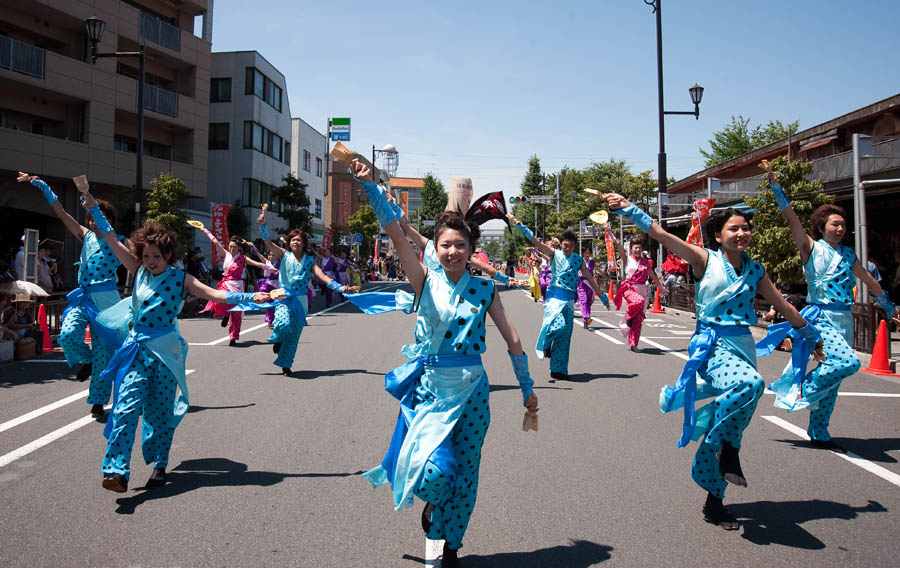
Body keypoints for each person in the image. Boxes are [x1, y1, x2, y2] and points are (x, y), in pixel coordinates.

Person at [350, 159, 537, 568]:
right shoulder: (424, 281)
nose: (453, 251)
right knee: (436, 472)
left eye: (461, 245)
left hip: (473, 393)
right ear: (435, 250)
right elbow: (397, 235)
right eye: (445, 245)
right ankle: (434, 508)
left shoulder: (485, 288)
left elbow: (513, 339)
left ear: (472, 249)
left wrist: (527, 390)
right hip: (432, 390)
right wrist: (371, 187)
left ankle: (450, 543)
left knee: (466, 475)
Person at [599, 190, 822, 530]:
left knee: (736, 421)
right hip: (711, 345)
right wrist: (629, 208)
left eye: (746, 228)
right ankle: (724, 452)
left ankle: (715, 501)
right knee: (751, 385)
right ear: (719, 235)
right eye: (734, 229)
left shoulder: (755, 270)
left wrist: (810, 336)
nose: (742, 233)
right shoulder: (705, 259)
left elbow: (784, 305)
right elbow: (661, 235)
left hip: (743, 345)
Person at [80, 192, 269, 493]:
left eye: (157, 256)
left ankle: (159, 465)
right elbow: (112, 240)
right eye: (146, 255)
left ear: (168, 255)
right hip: (136, 350)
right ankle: (116, 471)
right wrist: (94, 210)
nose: (150, 261)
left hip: (166, 354)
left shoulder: (180, 279)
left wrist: (251, 297)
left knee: (159, 413)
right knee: (126, 408)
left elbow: (215, 294)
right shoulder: (138, 271)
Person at [763, 177, 898, 451]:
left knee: (834, 380)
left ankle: (819, 430)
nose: (839, 228)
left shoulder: (849, 255)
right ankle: (805, 387)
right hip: (820, 316)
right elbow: (792, 220)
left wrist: (889, 306)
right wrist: (777, 188)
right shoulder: (811, 248)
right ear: (822, 227)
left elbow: (871, 283)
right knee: (847, 363)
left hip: (844, 319)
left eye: (842, 225)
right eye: (834, 224)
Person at [23, 175, 123, 418]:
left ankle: (98, 402)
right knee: (67, 335)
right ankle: (86, 361)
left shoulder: (118, 242)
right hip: (83, 297)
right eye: (93, 219)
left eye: (102, 218)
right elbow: (62, 214)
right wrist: (44, 188)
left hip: (106, 302)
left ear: (110, 221)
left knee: (103, 353)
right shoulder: (85, 235)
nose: (96, 223)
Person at [255, 211, 355, 376]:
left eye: (299, 240)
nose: (296, 242)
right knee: (282, 324)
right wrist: (263, 226)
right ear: (289, 242)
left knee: (294, 336)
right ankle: (278, 339)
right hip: (283, 297)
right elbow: (268, 244)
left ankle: (286, 366)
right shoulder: (283, 254)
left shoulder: (309, 261)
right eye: (293, 239)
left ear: (303, 243)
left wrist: (340, 287)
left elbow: (322, 276)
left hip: (301, 301)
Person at [510, 218, 605, 381]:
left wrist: (601, 295)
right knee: (557, 327)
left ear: (575, 246)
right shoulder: (554, 255)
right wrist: (523, 228)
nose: (568, 248)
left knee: (565, 335)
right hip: (554, 298)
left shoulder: (577, 260)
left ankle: (558, 370)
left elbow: (588, 276)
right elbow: (537, 243)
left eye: (571, 246)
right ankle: (545, 344)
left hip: (569, 299)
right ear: (561, 244)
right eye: (565, 245)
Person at [607, 229, 665, 351]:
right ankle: (628, 318)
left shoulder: (645, 262)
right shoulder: (627, 259)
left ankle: (634, 344)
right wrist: (609, 231)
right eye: (635, 248)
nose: (637, 250)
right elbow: (618, 244)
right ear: (631, 249)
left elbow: (653, 275)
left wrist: (661, 287)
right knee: (638, 301)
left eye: (639, 248)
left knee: (638, 320)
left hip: (643, 289)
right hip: (630, 288)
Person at [198, 234, 247, 346]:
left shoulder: (243, 258)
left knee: (236, 312)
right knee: (220, 299)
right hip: (226, 283)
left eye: (234, 247)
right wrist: (204, 230)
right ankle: (225, 314)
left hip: (237, 285)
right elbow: (215, 242)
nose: (231, 249)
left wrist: (270, 268)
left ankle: (233, 337)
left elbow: (258, 264)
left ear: (239, 247)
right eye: (230, 246)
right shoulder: (227, 254)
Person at [245, 243, 280, 327]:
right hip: (267, 283)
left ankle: (270, 321)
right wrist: (253, 246)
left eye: (273, 255)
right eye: (269, 255)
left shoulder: (280, 264)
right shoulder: (266, 262)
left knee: (272, 304)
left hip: (276, 285)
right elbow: (259, 255)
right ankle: (262, 302)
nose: (270, 257)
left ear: (277, 256)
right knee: (263, 289)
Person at [576, 247, 609, 329]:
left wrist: (604, 274)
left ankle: (587, 319)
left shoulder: (592, 262)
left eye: (588, 253)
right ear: (583, 253)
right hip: (581, 284)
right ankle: (586, 317)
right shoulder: (580, 261)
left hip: (590, 284)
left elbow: (598, 269)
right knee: (584, 300)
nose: (587, 255)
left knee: (589, 302)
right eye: (585, 253)